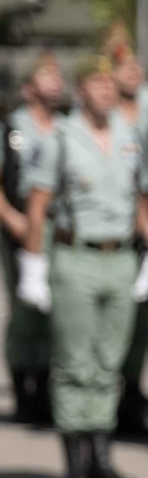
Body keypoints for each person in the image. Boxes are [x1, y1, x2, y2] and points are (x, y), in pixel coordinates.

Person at [17, 54, 148, 478]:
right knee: (74, 363)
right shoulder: (62, 137)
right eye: (96, 83)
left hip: (119, 258)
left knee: (107, 363)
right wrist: (33, 266)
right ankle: (75, 460)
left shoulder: (129, 135)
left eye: (109, 84)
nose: (105, 90)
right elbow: (39, 204)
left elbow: (141, 194)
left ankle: (102, 455)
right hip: (76, 255)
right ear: (80, 90)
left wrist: (147, 233)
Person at [2, 53, 65, 425]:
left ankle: (44, 388)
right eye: (46, 75)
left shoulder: (69, 126)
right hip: (21, 226)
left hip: (59, 228)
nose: (56, 81)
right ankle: (24, 389)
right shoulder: (12, 126)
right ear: (28, 88)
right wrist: (13, 221)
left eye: (58, 76)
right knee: (25, 310)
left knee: (53, 311)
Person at [108, 30, 148, 439]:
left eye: (137, 66)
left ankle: (131, 400)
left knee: (139, 324)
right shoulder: (98, 118)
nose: (135, 72)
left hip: (144, 229)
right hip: (106, 231)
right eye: (125, 67)